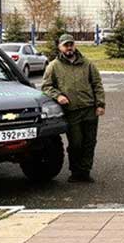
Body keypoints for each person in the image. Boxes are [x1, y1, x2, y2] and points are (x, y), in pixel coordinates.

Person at [42, 33, 106, 182]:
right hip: (71, 112)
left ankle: (85, 171)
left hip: (89, 109)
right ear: (60, 47)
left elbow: (97, 84)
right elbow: (46, 86)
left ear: (74, 45)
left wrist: (100, 104)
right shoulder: (54, 66)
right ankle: (75, 171)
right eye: (66, 45)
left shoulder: (87, 64)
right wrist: (58, 96)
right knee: (76, 143)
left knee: (90, 142)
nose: (69, 47)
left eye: (71, 44)